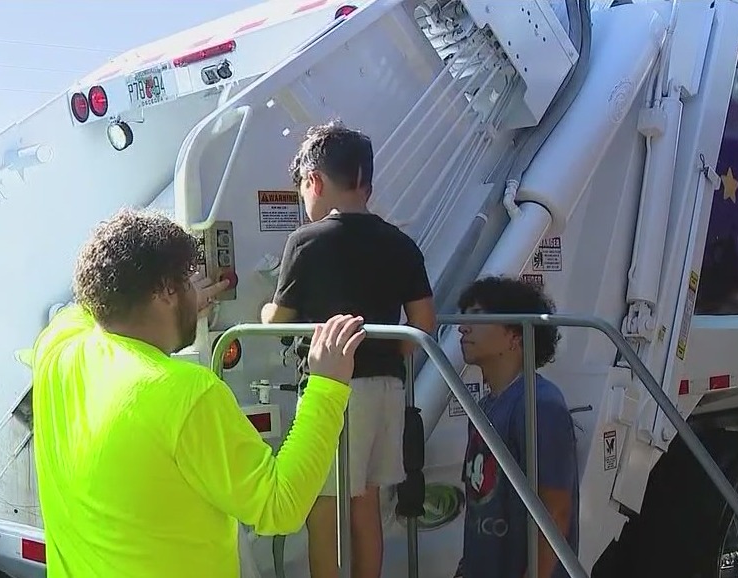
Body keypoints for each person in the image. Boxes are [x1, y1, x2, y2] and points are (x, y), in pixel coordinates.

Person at [30, 208, 367, 578]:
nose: (196, 291)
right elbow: (279, 506)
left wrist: (180, 302)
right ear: (164, 292)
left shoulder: (57, 348)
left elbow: (92, 302)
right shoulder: (186, 393)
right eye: (188, 283)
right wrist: (326, 386)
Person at [261, 121, 437, 578]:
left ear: (314, 181)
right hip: (387, 390)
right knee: (366, 506)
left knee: (324, 510)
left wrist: (262, 313)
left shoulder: (306, 241)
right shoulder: (402, 244)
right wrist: (385, 358)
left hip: (333, 394)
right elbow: (423, 325)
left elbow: (279, 322)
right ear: (367, 184)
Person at [453, 276, 579, 578]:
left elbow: (555, 511)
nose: (462, 327)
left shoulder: (540, 405)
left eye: (478, 316)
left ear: (516, 336)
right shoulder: (485, 406)